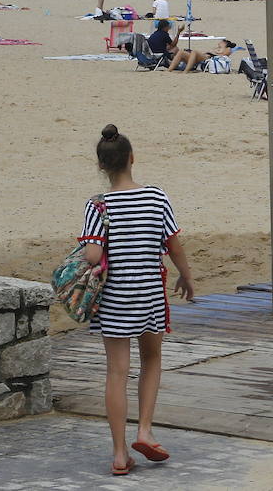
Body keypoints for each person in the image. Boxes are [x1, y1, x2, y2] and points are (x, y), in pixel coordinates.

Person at [77, 124, 194, 476]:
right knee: (152, 359)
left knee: (116, 371)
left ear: (101, 166)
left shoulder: (98, 205)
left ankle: (118, 454)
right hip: (150, 293)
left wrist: (93, 247)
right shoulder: (156, 197)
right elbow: (173, 244)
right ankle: (144, 430)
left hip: (114, 297)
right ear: (132, 158)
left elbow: (94, 256)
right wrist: (187, 276)